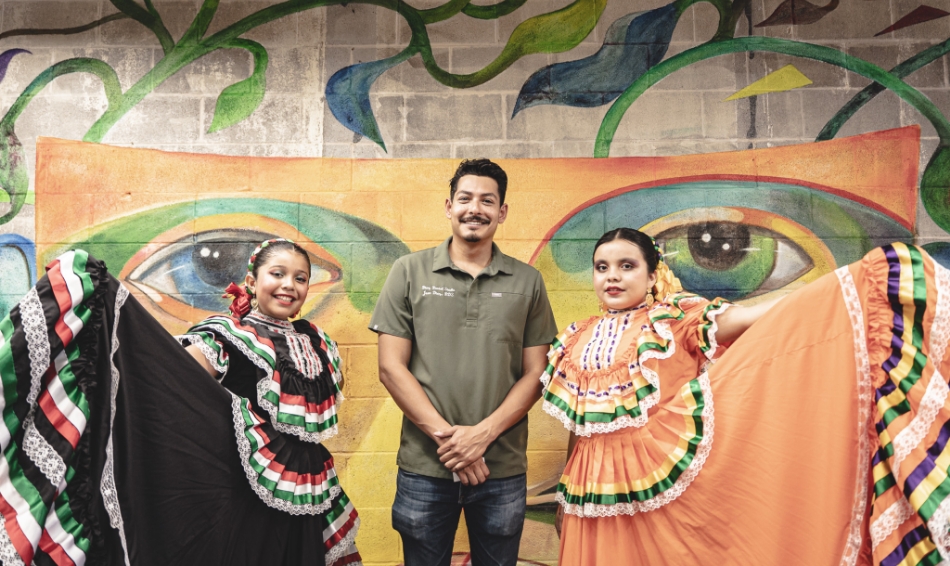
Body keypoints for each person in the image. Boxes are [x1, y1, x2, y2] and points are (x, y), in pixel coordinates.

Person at [546, 228, 950, 565]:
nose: (612, 277)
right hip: (589, 489)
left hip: (662, 484)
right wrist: (565, 496)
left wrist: (838, 289)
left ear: (653, 277)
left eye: (627, 266)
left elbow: (748, 319)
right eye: (602, 268)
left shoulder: (676, 319)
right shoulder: (575, 337)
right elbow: (582, 424)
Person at [0, 240, 361, 566]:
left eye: (300, 278)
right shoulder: (227, 333)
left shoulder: (319, 342)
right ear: (251, 282)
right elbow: (173, 377)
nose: (289, 285)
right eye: (277, 274)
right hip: (243, 494)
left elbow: (318, 409)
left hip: (312, 487)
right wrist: (129, 334)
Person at [369, 158, 558, 565]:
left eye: (487, 200)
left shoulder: (528, 282)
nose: (475, 208)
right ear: (448, 206)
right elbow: (390, 368)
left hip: (501, 468)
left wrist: (482, 437)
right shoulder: (408, 272)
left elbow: (537, 373)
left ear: (502, 212)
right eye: (465, 198)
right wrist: (452, 441)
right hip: (425, 466)